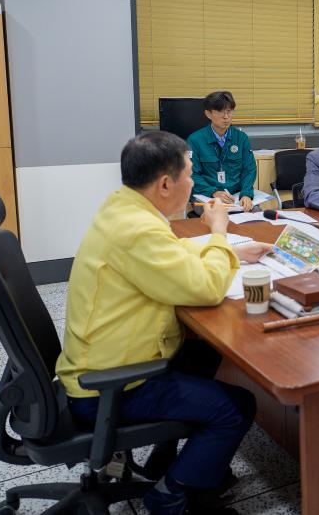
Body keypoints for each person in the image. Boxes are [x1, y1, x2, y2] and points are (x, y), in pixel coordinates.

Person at [56, 131, 270, 515]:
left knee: (203, 352)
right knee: (236, 407)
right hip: (112, 384)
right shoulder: (137, 229)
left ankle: (170, 462)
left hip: (103, 362)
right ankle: (169, 495)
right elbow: (205, 287)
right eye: (189, 175)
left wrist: (230, 249)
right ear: (166, 183)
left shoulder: (123, 209)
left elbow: (166, 251)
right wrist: (219, 233)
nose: (194, 183)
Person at [187, 91, 258, 211]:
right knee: (218, 214)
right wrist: (214, 192)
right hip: (208, 197)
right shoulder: (195, 140)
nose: (226, 117)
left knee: (255, 212)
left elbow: (249, 169)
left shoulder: (241, 138)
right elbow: (192, 174)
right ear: (208, 114)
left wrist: (246, 194)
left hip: (235, 196)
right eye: (220, 111)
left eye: (229, 111)